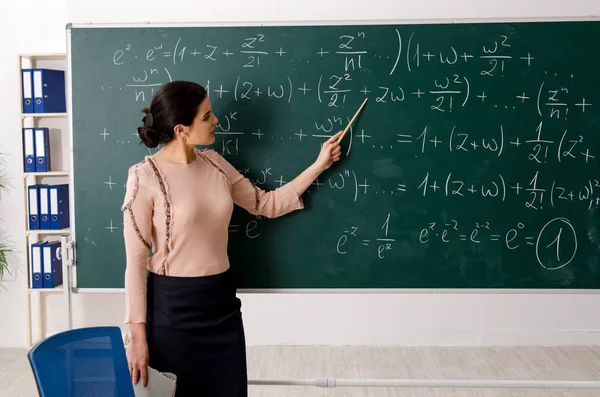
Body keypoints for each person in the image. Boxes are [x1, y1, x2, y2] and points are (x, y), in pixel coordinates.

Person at [121, 80, 343, 397]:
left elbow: (267, 204)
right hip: (172, 310)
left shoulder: (215, 163)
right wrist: (138, 339)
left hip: (221, 304)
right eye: (207, 116)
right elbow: (135, 263)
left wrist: (319, 164)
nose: (216, 121)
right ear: (182, 129)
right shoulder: (144, 177)